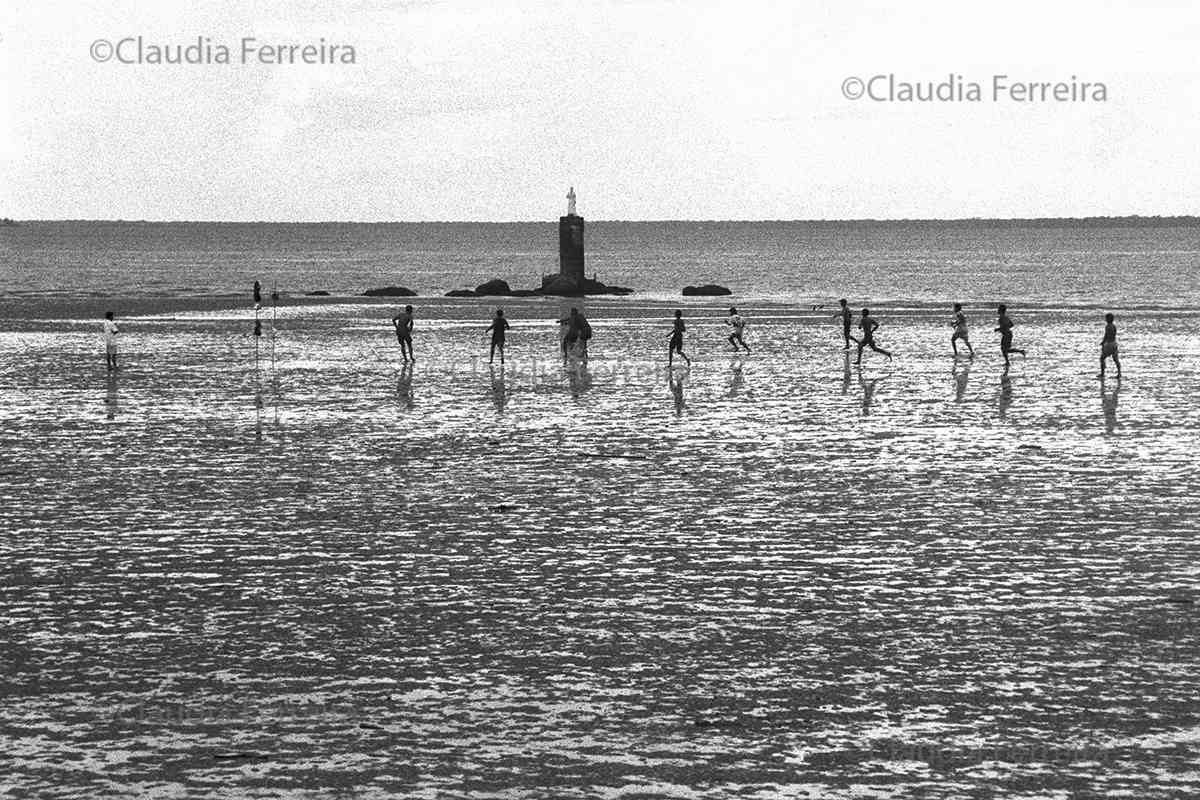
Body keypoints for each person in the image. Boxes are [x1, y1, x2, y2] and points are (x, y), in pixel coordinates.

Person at [1100, 313, 1122, 378]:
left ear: (1108, 319)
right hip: (1114, 343)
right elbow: (1114, 334)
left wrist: (1103, 342)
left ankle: (1102, 373)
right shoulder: (1114, 326)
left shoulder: (1107, 326)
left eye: (1106, 318)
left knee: (1102, 358)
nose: (1105, 319)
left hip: (1109, 344)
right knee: (1116, 359)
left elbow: (1106, 335)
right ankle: (1119, 373)